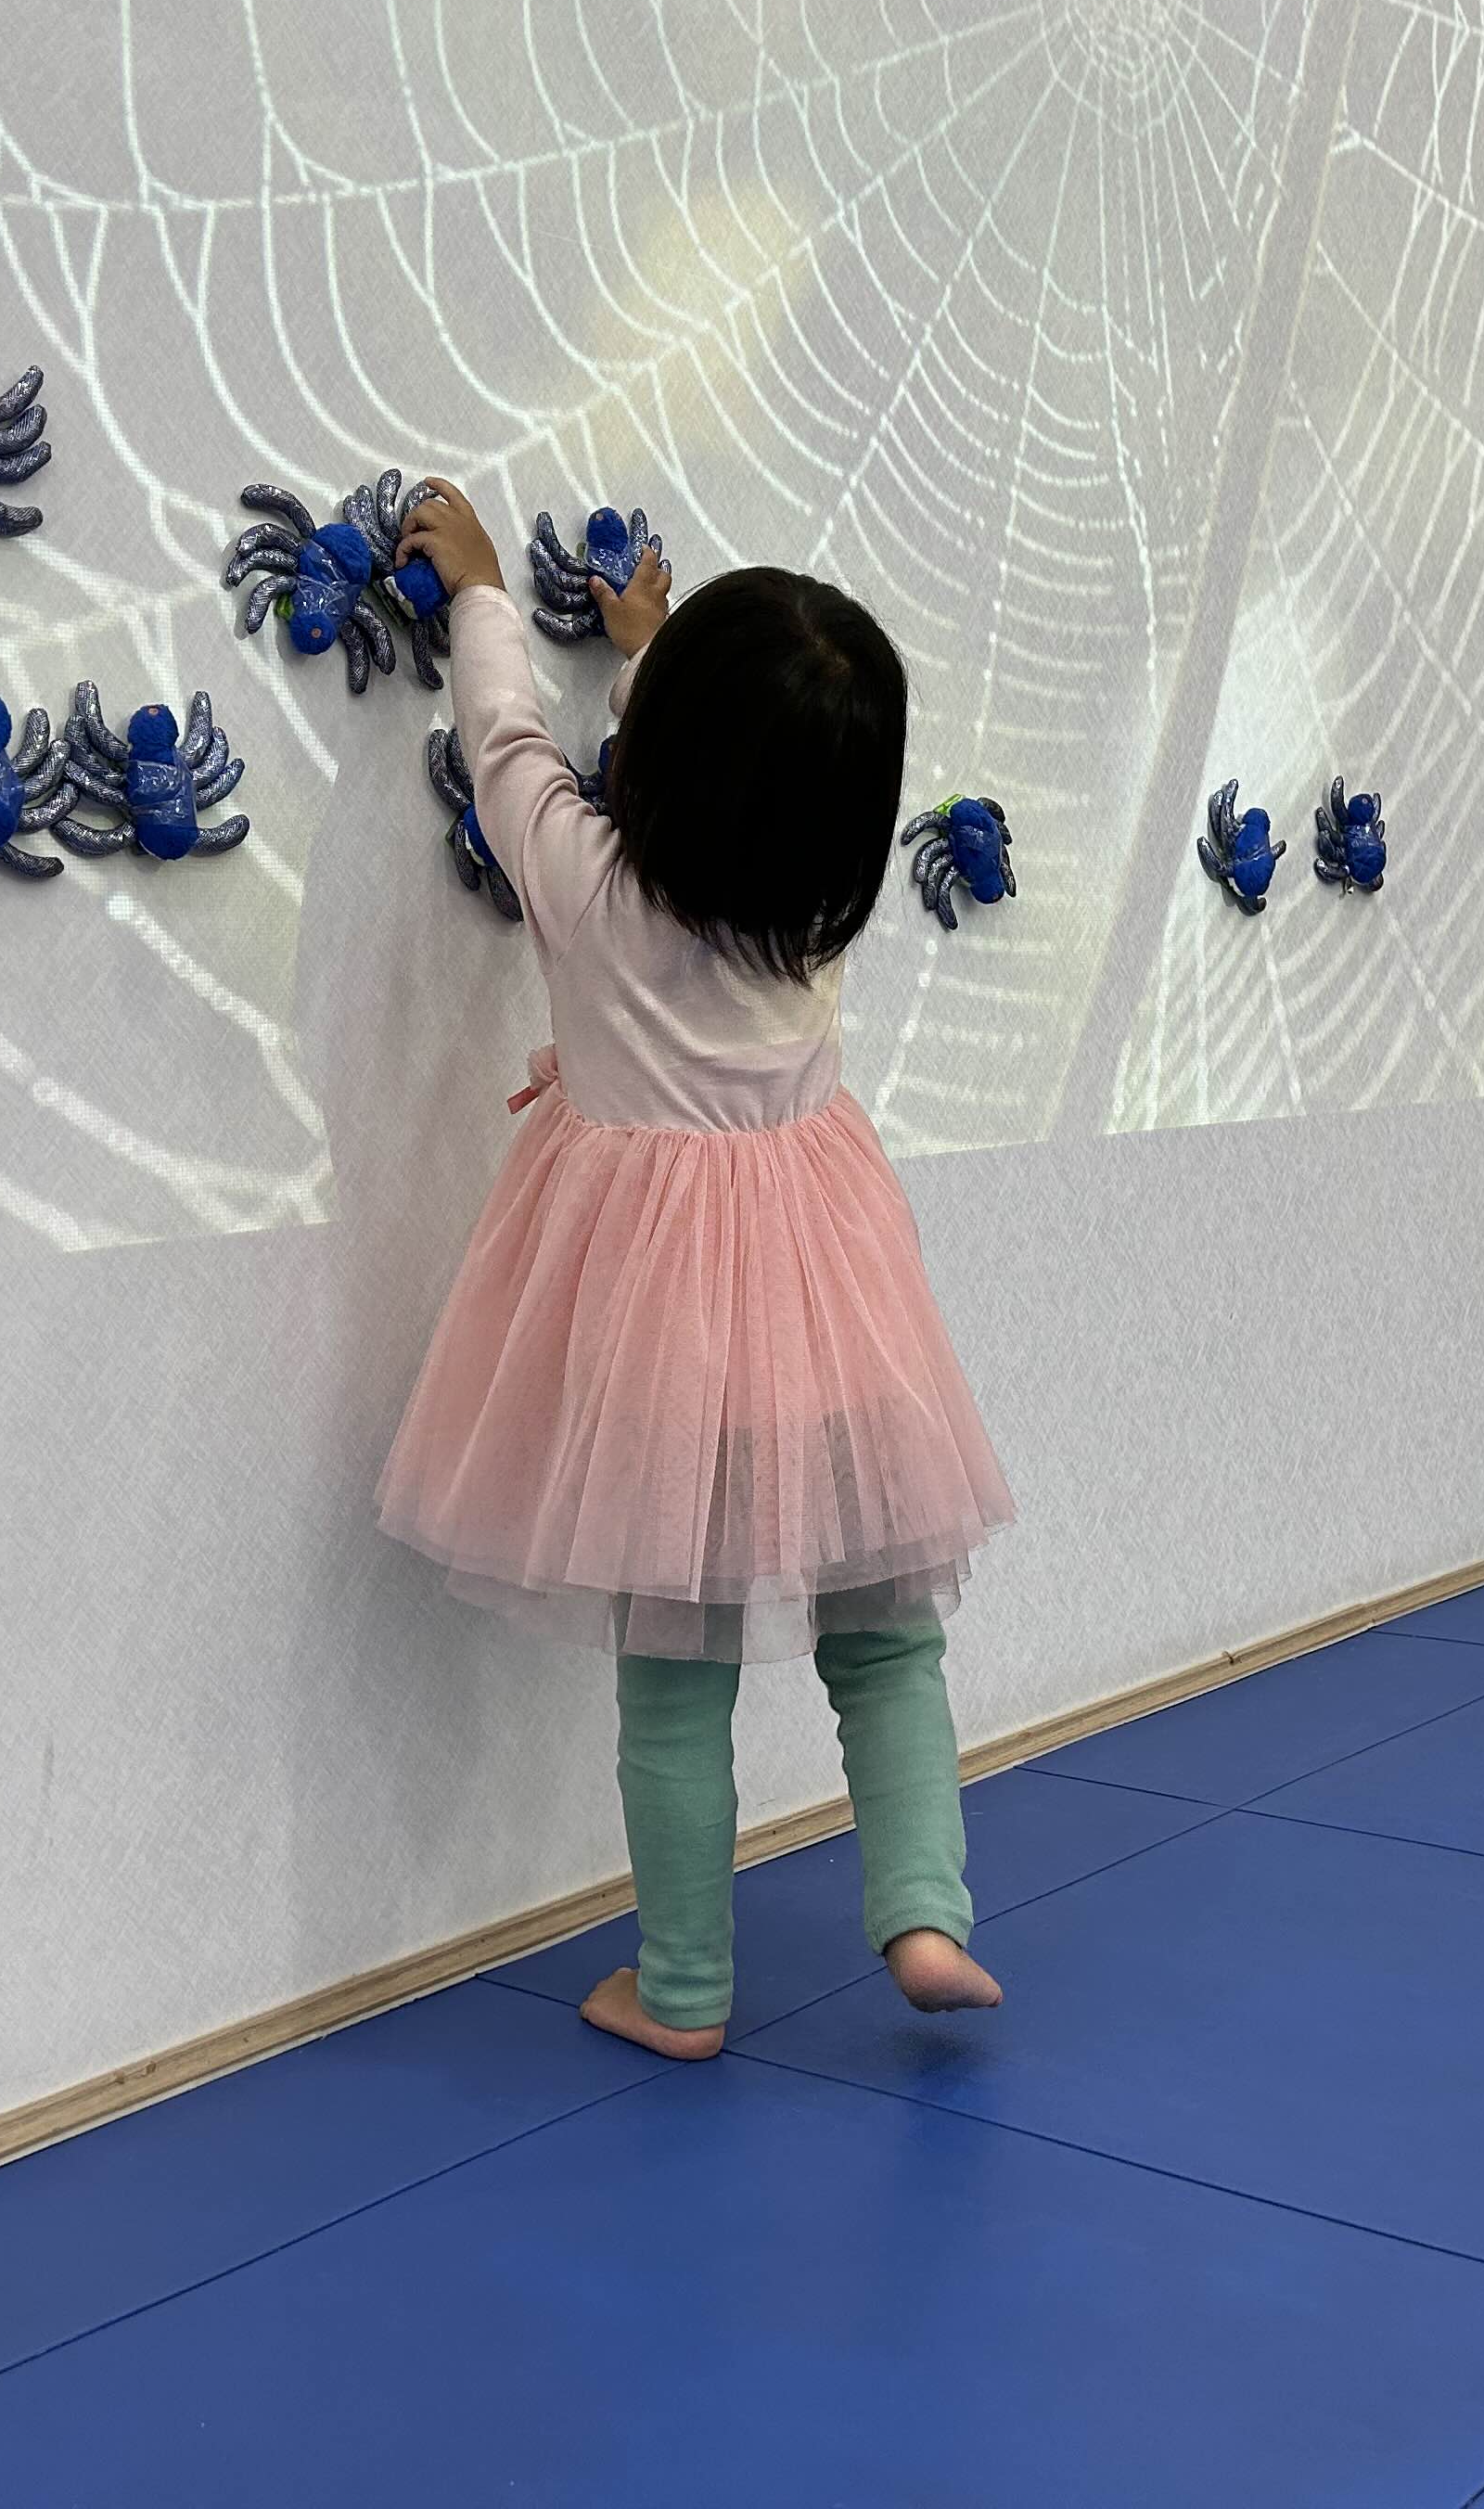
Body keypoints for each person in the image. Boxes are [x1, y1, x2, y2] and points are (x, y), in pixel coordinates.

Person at [377, 481, 1015, 2060]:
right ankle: (925, 1915)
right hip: (837, 1318)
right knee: (890, 1641)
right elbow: (749, 780)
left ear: (662, 759)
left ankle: (680, 1990)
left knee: (674, 1683)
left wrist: (482, 592)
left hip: (666, 1346)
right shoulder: (809, 927)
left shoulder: (590, 892)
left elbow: (507, 748)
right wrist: (650, 648)